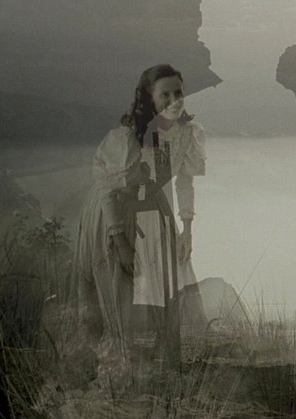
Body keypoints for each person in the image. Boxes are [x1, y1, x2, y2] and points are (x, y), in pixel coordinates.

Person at [74, 63, 207, 393]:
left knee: (164, 281)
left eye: (178, 93)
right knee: (122, 283)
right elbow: (108, 190)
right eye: (165, 95)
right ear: (150, 98)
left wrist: (187, 229)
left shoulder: (188, 133)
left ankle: (164, 372)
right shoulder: (127, 137)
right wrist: (119, 239)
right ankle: (120, 372)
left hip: (153, 208)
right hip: (114, 212)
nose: (174, 101)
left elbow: (185, 182)